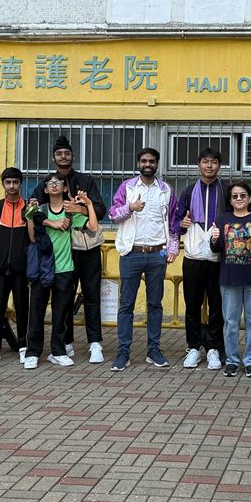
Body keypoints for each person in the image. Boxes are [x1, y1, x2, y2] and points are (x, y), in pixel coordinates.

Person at [109, 147, 178, 371]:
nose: (148, 164)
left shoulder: (166, 190)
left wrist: (173, 249)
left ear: (157, 164)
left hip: (157, 254)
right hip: (131, 253)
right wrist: (130, 207)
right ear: (138, 163)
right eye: (144, 161)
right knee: (126, 304)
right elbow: (112, 214)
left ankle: (153, 350)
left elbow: (173, 222)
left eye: (152, 161)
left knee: (155, 304)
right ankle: (123, 352)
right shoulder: (127, 187)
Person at [26, 174, 98, 370]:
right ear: (45, 189)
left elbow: (93, 227)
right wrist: (31, 216)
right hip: (42, 269)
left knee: (61, 313)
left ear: (65, 188)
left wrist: (88, 205)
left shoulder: (70, 211)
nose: (54, 185)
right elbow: (32, 238)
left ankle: (58, 352)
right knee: (37, 312)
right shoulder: (40, 210)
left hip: (65, 268)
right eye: (50, 183)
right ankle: (32, 352)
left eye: (58, 183)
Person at [52, 136, 109, 365]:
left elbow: (101, 210)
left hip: (87, 247)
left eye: (67, 153)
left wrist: (81, 208)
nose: (63, 157)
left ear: (73, 156)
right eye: (59, 154)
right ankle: (66, 342)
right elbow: (36, 210)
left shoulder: (85, 180)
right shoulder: (49, 182)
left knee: (91, 296)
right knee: (64, 296)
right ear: (53, 158)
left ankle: (95, 343)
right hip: (62, 250)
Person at [170, 147, 228, 370]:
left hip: (218, 258)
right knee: (192, 305)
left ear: (219, 166)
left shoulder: (226, 190)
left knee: (217, 306)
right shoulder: (188, 191)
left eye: (214, 162)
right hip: (193, 257)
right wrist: (182, 224)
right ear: (199, 165)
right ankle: (193, 347)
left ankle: (214, 348)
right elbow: (175, 223)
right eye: (205, 161)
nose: (209, 166)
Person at [209, 181, 251, 378]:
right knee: (230, 322)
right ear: (230, 200)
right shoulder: (222, 219)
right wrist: (214, 238)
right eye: (235, 196)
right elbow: (216, 249)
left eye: (243, 195)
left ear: (250, 198)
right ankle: (232, 361)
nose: (239, 199)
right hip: (229, 280)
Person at [0, 167, 30, 365]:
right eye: (8, 182)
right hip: (0, 267)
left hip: (21, 268)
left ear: (20, 184)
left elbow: (33, 237)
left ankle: (24, 346)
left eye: (15, 182)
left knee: (22, 307)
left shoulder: (28, 207)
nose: (11, 186)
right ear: (3, 184)